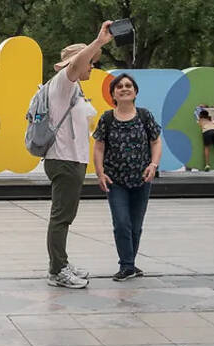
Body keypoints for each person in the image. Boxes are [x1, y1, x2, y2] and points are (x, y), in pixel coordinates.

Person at [44, 21, 114, 289]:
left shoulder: (72, 88)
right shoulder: (63, 82)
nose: (92, 67)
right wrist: (98, 42)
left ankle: (61, 263)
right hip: (64, 160)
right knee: (61, 217)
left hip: (71, 160)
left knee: (65, 216)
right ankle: (57, 270)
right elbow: (75, 65)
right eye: (90, 62)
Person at [93, 73, 162, 281]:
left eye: (128, 86)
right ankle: (127, 265)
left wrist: (153, 164)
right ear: (113, 93)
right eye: (120, 86)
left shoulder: (144, 116)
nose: (124, 88)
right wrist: (100, 172)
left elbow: (156, 142)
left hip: (142, 179)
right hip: (115, 180)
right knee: (122, 223)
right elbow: (99, 147)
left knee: (135, 224)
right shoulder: (106, 118)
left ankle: (129, 263)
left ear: (135, 91)